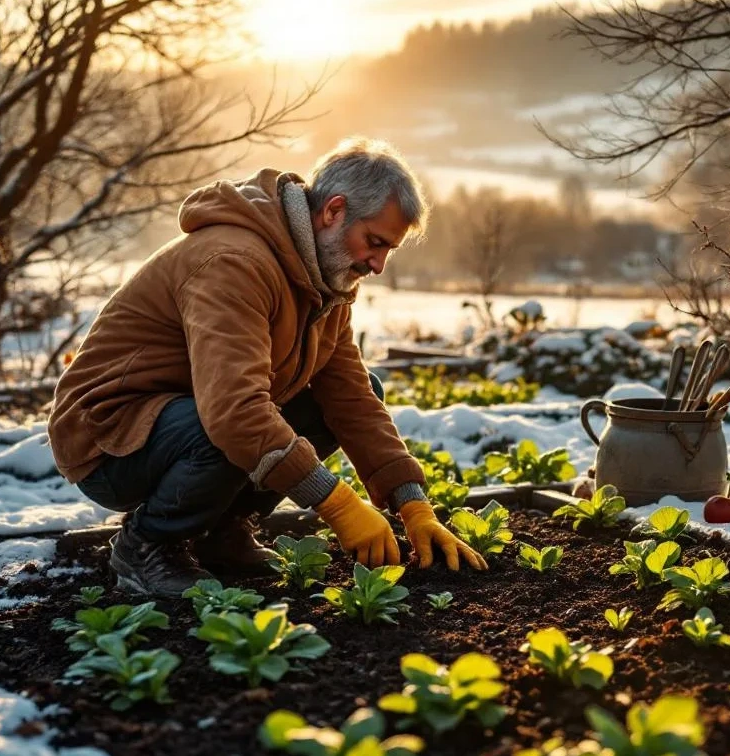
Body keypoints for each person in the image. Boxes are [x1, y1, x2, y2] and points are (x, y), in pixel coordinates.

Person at [47, 138, 486, 598]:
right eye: (374, 243)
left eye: (387, 251)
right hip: (111, 437)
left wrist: (414, 507)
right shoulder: (234, 261)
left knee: (354, 393)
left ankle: (223, 531)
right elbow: (234, 413)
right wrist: (338, 505)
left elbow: (352, 398)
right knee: (232, 422)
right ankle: (147, 546)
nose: (377, 265)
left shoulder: (325, 282)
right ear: (333, 211)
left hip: (183, 417)